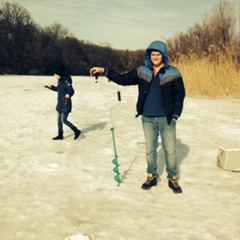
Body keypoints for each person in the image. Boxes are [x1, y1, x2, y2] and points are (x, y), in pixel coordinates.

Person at [90, 40, 185, 193]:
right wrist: (104, 71)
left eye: (158, 54)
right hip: (147, 118)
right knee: (150, 150)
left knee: (171, 151)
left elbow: (180, 95)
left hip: (166, 118)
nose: (155, 57)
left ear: (164, 55)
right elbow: (123, 79)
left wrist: (175, 115)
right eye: (152, 54)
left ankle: (172, 179)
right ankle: (151, 176)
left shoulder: (173, 72)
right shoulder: (142, 71)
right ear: (149, 56)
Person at [45, 65, 81, 140]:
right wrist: (51, 87)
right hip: (60, 103)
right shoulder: (60, 81)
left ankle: (76, 130)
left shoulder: (66, 81)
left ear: (59, 74)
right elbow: (59, 89)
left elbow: (71, 90)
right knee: (58, 120)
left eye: (55, 75)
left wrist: (69, 94)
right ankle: (60, 134)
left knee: (64, 120)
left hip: (65, 103)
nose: (54, 76)